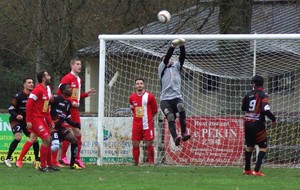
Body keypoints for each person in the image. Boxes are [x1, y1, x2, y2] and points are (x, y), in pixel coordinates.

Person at [57, 57, 96, 168]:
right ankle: (63, 157)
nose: (80, 66)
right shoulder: (66, 78)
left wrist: (86, 94)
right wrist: (70, 102)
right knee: (68, 133)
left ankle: (77, 158)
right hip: (67, 109)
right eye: (77, 64)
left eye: (80, 64)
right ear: (72, 65)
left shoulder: (78, 79)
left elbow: (76, 96)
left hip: (74, 110)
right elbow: (59, 94)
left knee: (78, 134)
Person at [158, 38, 191, 146]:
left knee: (181, 106)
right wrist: (172, 46)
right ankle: (175, 137)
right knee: (171, 117)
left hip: (176, 97)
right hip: (165, 100)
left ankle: (184, 132)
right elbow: (167, 56)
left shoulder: (176, 67)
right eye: (166, 59)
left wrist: (181, 45)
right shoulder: (162, 69)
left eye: (170, 59)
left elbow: (182, 57)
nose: (168, 60)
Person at [241, 75, 276, 176]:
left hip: (247, 123)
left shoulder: (247, 95)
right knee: (263, 148)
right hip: (257, 124)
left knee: (249, 147)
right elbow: (265, 109)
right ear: (262, 84)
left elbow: (243, 108)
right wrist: (273, 119)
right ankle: (256, 171)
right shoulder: (263, 95)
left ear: (254, 84)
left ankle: (247, 170)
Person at [26, 70, 59, 172]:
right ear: (43, 78)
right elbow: (29, 104)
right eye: (48, 75)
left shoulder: (45, 90)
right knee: (46, 140)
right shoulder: (38, 89)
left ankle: (49, 165)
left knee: (48, 140)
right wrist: (28, 121)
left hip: (42, 119)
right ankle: (42, 165)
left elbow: (45, 109)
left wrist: (50, 121)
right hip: (36, 119)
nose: (49, 77)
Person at [4, 78, 40, 168]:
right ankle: (7, 158)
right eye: (29, 82)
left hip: (26, 121)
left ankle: (36, 160)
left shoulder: (33, 96)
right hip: (15, 119)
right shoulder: (18, 96)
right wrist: (17, 115)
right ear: (24, 85)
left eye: (32, 82)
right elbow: (11, 109)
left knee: (34, 139)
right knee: (18, 137)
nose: (31, 84)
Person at [50, 83, 82, 170]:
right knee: (53, 145)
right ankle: (42, 161)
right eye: (68, 88)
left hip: (59, 127)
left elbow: (67, 117)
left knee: (74, 140)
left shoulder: (68, 102)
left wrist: (74, 124)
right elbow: (45, 105)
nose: (71, 89)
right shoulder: (56, 99)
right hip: (51, 127)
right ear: (63, 91)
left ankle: (72, 164)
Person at [129, 78, 158, 166]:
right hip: (136, 125)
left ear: (144, 85)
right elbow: (132, 109)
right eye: (137, 84)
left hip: (147, 124)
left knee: (149, 144)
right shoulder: (131, 97)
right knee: (135, 143)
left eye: (141, 83)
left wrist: (148, 118)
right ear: (135, 86)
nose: (139, 85)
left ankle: (152, 162)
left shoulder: (150, 96)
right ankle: (135, 163)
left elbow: (155, 110)